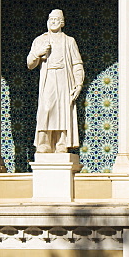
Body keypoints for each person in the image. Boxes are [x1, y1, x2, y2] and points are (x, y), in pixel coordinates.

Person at [27, 9, 84, 153]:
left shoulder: (69, 41)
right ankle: (44, 142)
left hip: (64, 78)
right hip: (49, 77)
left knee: (63, 110)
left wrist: (78, 84)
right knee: (47, 108)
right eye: (51, 19)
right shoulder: (40, 40)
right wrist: (38, 53)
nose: (53, 22)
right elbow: (30, 63)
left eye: (56, 20)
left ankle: (61, 142)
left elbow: (77, 64)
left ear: (62, 22)